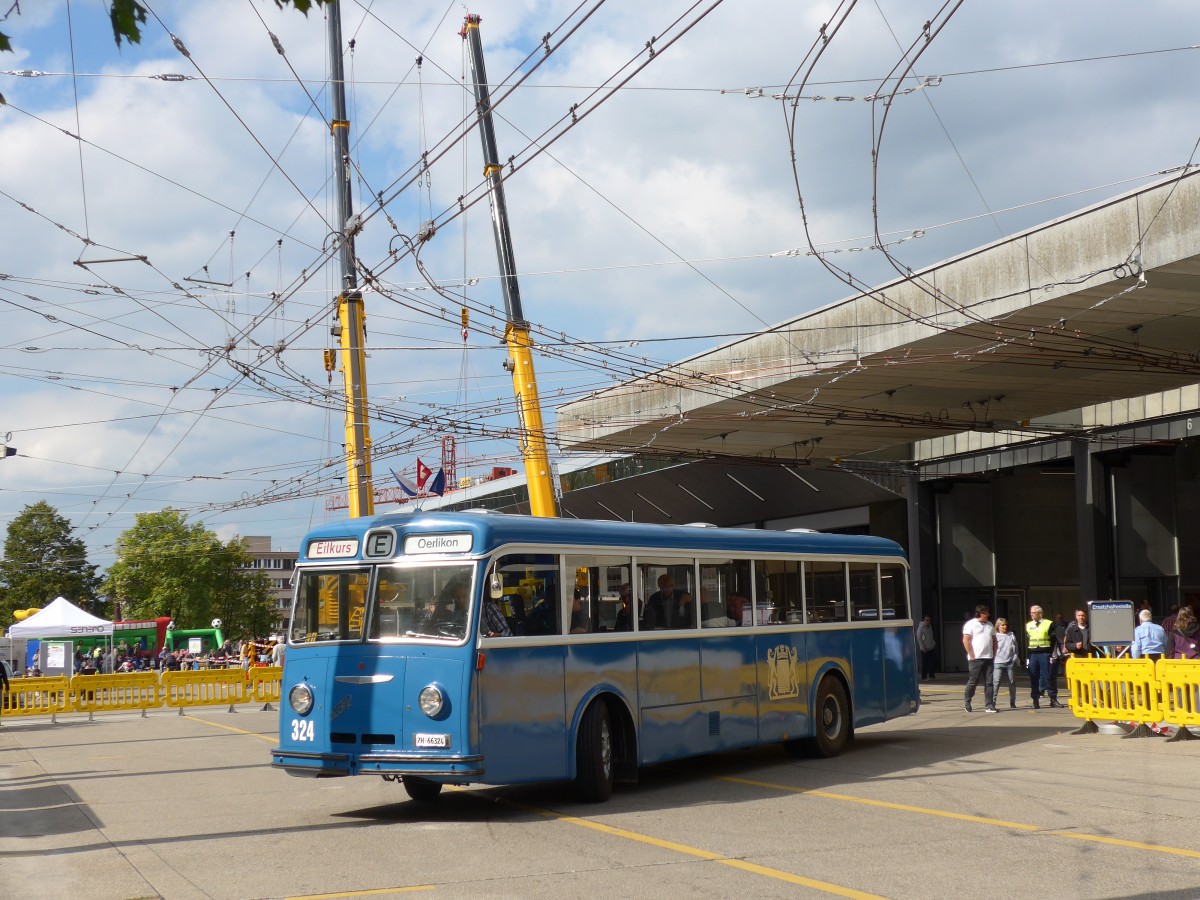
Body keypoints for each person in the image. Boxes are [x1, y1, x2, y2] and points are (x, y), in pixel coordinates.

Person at [1025, 605, 1063, 709]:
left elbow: (1054, 640)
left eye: (1033, 613)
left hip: (1045, 653)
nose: (1031, 615)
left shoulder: (1049, 624)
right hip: (1033, 654)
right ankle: (1035, 700)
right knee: (1034, 677)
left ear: (1040, 614)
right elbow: (1028, 639)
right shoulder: (1028, 625)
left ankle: (1053, 699)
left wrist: (1052, 654)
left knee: (1048, 676)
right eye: (1031, 613)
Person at [962, 604, 997, 713]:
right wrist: (971, 655)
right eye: (986, 613)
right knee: (973, 681)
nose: (988, 615)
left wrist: (994, 654)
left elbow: (994, 640)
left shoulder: (990, 625)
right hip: (976, 659)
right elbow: (966, 640)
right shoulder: (971, 624)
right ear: (980, 613)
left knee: (989, 683)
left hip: (988, 658)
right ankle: (967, 701)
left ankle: (989, 705)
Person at [992, 618, 1019, 709]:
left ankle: (1012, 702)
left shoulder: (1011, 635)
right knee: (996, 682)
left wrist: (1015, 657)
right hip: (998, 662)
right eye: (1002, 625)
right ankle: (993, 702)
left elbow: (1016, 647)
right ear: (998, 626)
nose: (1005, 627)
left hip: (1010, 662)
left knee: (1012, 682)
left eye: (1006, 625)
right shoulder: (995, 636)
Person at [916, 614, 937, 680]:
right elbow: (919, 638)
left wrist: (933, 643)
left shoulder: (929, 626)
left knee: (933, 661)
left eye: (929, 620)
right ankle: (924, 676)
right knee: (925, 663)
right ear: (924, 620)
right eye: (927, 620)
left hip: (931, 647)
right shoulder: (921, 627)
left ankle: (931, 674)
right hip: (925, 648)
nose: (928, 622)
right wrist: (923, 648)